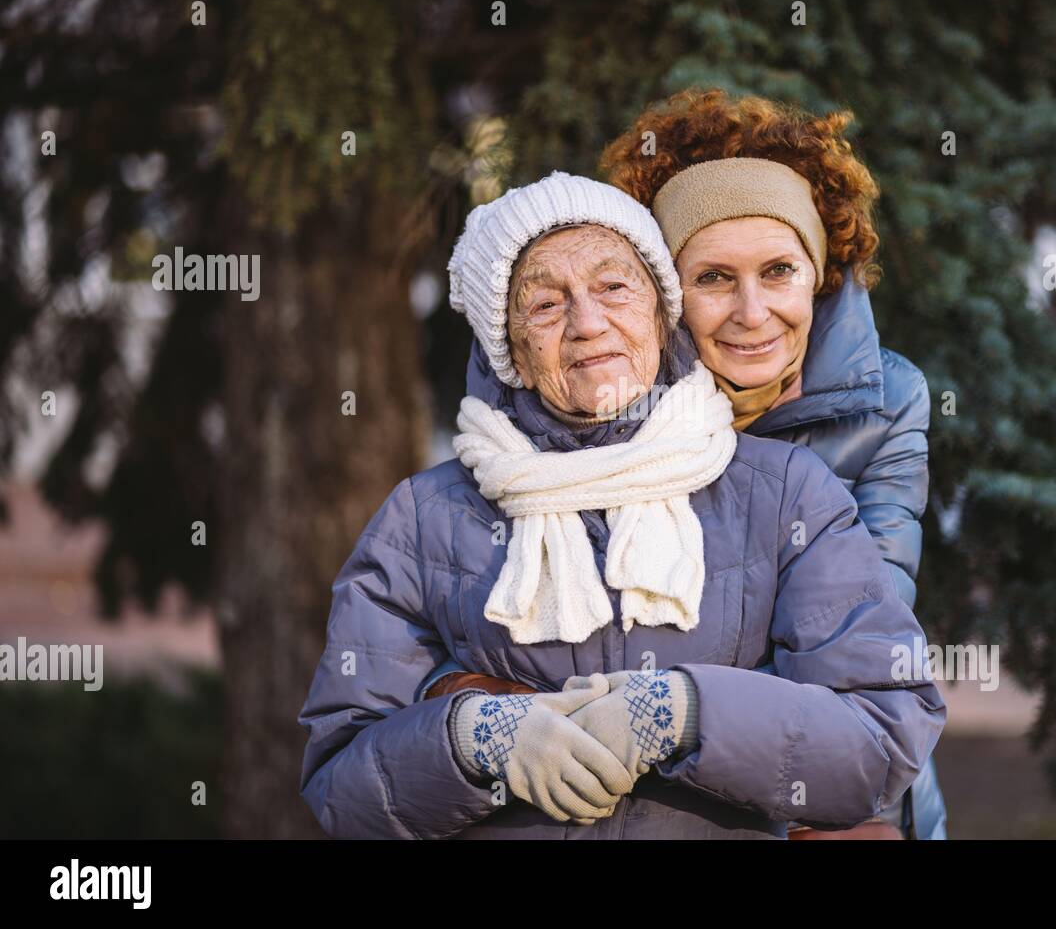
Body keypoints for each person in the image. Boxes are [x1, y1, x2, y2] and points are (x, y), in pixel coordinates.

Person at [297, 171, 945, 838]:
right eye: (545, 304)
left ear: (662, 315)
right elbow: (342, 789)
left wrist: (682, 713)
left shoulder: (787, 493)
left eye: (613, 287)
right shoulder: (421, 518)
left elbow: (881, 737)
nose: (587, 322)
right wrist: (474, 741)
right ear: (510, 350)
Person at [598, 88, 950, 839]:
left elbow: (864, 642)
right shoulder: (616, 409)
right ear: (665, 295)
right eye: (714, 278)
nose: (753, 312)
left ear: (819, 274)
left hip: (848, 799)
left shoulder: (886, 403)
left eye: (779, 271)